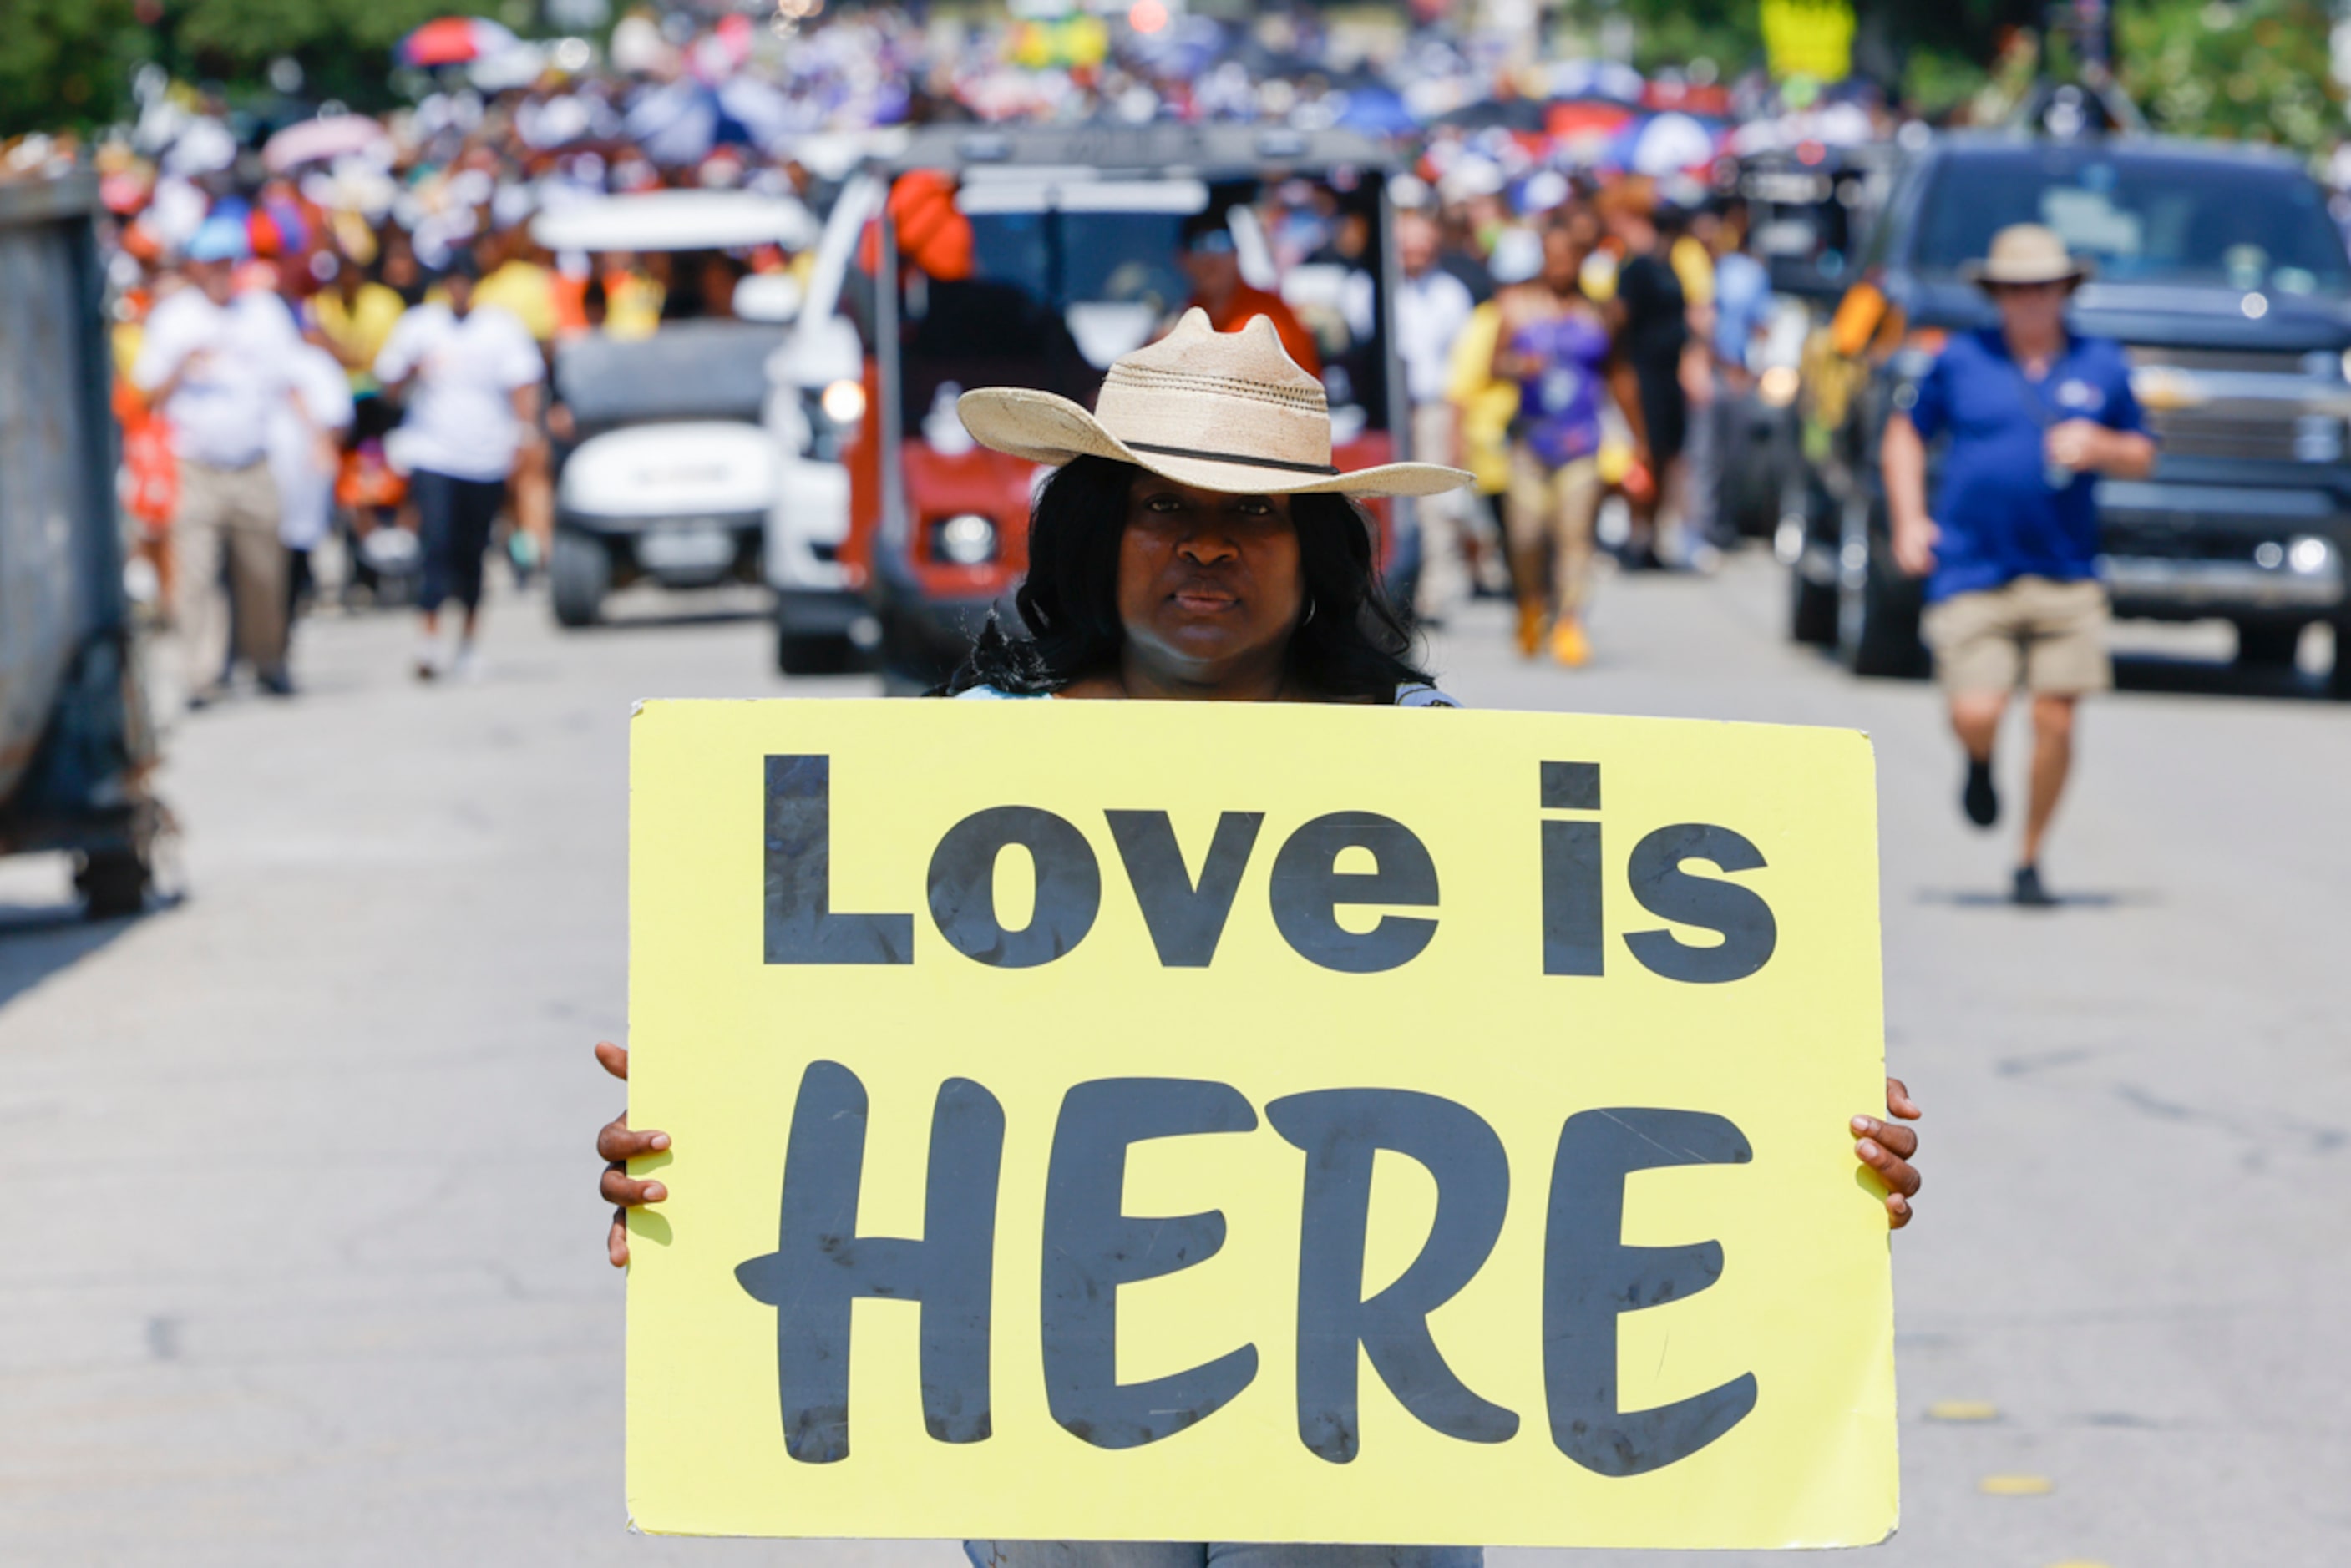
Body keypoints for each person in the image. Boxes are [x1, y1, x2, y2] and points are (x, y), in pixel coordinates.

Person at [593, 309, 1928, 1567]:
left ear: (1318, 555)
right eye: (1163, 507)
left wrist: (1801, 1140)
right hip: (1059, 1397)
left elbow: (1608, 1051)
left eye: (1254, 517)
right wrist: (704, 1147)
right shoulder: (968, 764)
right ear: (1092, 532)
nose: (1206, 547)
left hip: (1365, 1415)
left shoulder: (1436, 766)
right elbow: (836, 1060)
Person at [1883, 224, 2156, 907]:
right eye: (2014, 290)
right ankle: (1977, 762)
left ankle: (2029, 856)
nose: (2028, 301)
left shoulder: (2099, 363)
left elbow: (2142, 451)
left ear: (2063, 291)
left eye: (2041, 288)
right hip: (1973, 565)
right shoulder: (1961, 359)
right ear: (1995, 294)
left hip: (2064, 569)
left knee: (2056, 719)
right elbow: (1905, 437)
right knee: (1977, 709)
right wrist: (1910, 518)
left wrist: (2101, 447)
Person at [131, 213, 301, 704]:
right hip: (196, 464)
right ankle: (200, 675)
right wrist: (182, 367)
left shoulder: (263, 312)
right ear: (194, 267)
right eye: (211, 264)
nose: (221, 272)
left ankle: (268, 660)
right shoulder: (174, 318)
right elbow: (147, 396)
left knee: (264, 570)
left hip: (253, 459)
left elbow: (288, 381)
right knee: (196, 575)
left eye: (228, 262)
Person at [372, 252, 546, 682]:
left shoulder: (500, 327)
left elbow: (522, 383)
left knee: (473, 552)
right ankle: (428, 643)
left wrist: (525, 435)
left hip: (485, 455)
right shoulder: (419, 327)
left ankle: (468, 644)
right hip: (434, 452)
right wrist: (410, 371)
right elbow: (389, 387)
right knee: (437, 546)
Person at [1493, 224, 1613, 667]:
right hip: (1531, 440)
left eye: (1570, 258)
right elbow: (1494, 364)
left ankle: (1570, 622)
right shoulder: (1516, 307)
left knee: (1574, 534)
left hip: (1582, 440)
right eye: (1553, 257)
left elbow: (1617, 374)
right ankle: (1531, 604)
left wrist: (1634, 438)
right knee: (1525, 534)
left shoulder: (1597, 312)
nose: (1561, 267)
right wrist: (1518, 364)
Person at [1391, 212, 1486, 625]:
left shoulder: (1450, 294)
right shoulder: (1372, 287)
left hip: (1434, 408)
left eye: (1422, 244)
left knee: (1435, 503)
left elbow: (1463, 364)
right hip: (1391, 408)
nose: (1416, 252)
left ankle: (1430, 595)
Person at [1596, 180, 1690, 571]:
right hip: (1642, 371)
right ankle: (1636, 534)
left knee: (1667, 454)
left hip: (1669, 373)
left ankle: (1651, 535)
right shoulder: (1629, 267)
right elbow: (1618, 321)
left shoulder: (1665, 259)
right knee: (1643, 453)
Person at [1177, 209, 1321, 378]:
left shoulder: (1270, 315)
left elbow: (1307, 386)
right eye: (1199, 247)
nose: (1210, 259)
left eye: (1221, 244)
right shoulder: (1180, 321)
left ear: (1236, 254)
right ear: (1183, 259)